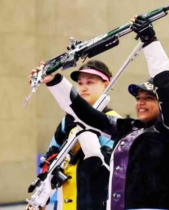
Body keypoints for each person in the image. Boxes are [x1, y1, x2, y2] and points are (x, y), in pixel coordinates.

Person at [31, 15, 169, 210]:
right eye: (138, 98)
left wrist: (149, 41)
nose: (140, 103)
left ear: (162, 104)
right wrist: (54, 82)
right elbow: (86, 115)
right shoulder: (128, 129)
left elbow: (168, 87)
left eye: (148, 98)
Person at [29, 60, 120, 210]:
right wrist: (42, 198)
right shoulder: (67, 121)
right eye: (80, 82)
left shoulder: (114, 121)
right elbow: (50, 158)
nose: (84, 87)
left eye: (90, 82)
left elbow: (108, 166)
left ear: (106, 84)